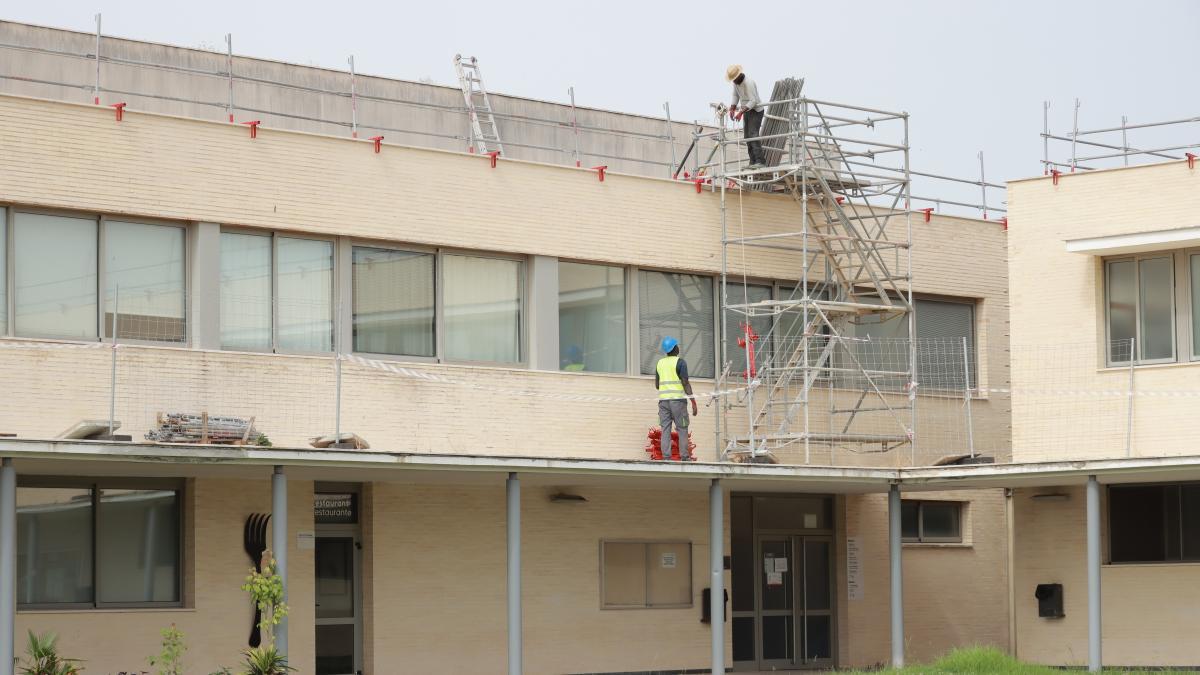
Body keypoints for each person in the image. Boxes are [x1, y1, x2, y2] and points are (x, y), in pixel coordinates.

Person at [654, 336, 699, 461]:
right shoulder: (680, 362)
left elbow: (657, 385)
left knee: (665, 430)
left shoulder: (660, 363)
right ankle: (684, 457)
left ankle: (666, 458)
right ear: (674, 348)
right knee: (682, 428)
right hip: (678, 402)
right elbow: (685, 383)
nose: (679, 347)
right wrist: (693, 402)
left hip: (663, 402)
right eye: (677, 345)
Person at [726, 64, 766, 168]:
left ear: (739, 75)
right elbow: (735, 95)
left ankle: (760, 161)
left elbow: (753, 101)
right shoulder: (736, 83)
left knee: (753, 134)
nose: (733, 81)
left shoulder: (749, 83)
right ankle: (752, 161)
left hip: (756, 111)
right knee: (747, 136)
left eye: (734, 79)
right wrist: (732, 107)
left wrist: (740, 113)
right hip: (746, 110)